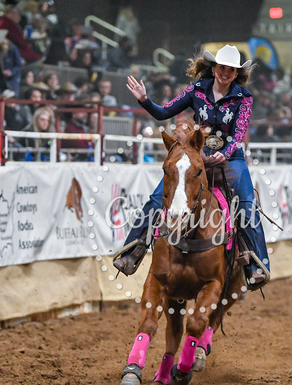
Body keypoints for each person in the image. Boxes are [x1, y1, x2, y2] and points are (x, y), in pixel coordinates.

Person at [113, 44, 269, 289]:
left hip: (231, 157)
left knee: (247, 205)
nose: (225, 72)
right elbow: (164, 112)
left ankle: (256, 265)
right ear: (214, 68)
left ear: (237, 73)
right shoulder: (197, 90)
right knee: (157, 200)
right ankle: (132, 251)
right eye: (222, 67)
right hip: (199, 154)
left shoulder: (244, 98)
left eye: (231, 69)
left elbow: (238, 133)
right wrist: (145, 100)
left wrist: (225, 153)